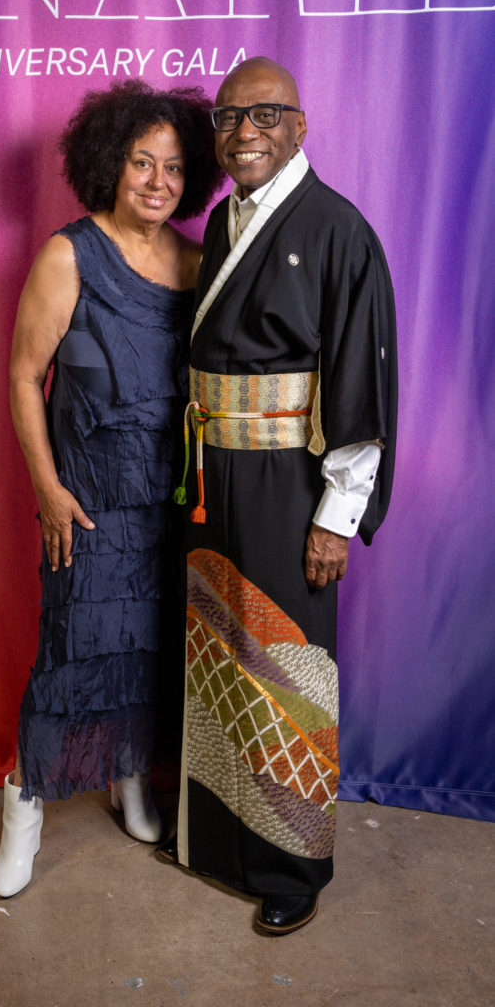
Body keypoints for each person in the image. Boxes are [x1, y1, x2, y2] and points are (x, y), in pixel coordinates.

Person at [158, 57, 398, 935]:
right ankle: (221, 840)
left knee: (285, 667)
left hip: (289, 483)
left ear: (300, 125)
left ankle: (292, 863)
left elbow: (359, 385)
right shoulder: (225, 221)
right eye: (228, 117)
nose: (243, 132)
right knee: (220, 654)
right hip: (212, 474)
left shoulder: (338, 230)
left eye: (263, 114)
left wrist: (335, 518)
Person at [0, 80, 223, 898]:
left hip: (165, 506)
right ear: (108, 164)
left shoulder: (197, 264)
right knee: (69, 660)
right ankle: (22, 805)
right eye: (139, 163)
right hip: (86, 508)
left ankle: (128, 778)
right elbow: (24, 378)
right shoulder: (67, 254)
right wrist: (48, 491)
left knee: (149, 658)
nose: (157, 181)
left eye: (172, 167)